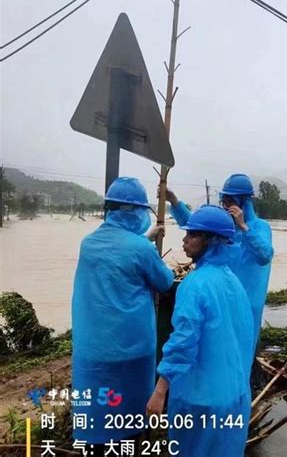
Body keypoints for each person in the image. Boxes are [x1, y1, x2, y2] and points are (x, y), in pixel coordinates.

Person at [71, 177, 174, 454]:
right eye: (141, 211)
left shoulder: (88, 243)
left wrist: (144, 239)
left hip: (91, 349)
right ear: (131, 211)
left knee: (96, 415)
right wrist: (149, 245)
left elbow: (117, 249)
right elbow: (164, 281)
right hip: (130, 350)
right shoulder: (140, 249)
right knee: (126, 419)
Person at [147, 205, 254, 457]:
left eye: (192, 235)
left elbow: (183, 343)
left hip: (200, 401)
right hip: (235, 397)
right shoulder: (233, 281)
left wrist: (160, 390)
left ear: (210, 240)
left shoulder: (195, 284)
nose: (184, 240)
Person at [167, 173, 273, 350]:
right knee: (218, 349)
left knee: (242, 351)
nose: (226, 207)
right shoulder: (225, 227)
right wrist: (175, 203)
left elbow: (264, 256)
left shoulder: (260, 227)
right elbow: (199, 228)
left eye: (230, 202)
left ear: (244, 202)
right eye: (224, 202)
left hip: (248, 303)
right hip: (221, 298)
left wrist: (244, 228)